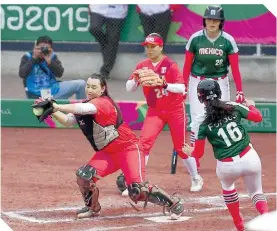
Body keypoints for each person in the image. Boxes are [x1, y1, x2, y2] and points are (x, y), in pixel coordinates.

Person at [42, 73, 184, 219]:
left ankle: (174, 203)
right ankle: (93, 208)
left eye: (94, 87)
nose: (89, 90)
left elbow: (84, 109)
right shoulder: (87, 104)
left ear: (102, 89)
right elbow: (67, 121)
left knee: (138, 191)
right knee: (84, 177)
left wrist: (57, 105)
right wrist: (53, 111)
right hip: (108, 153)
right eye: (88, 86)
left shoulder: (102, 103)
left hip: (129, 149)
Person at [117, 33, 203, 196]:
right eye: (147, 47)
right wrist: (136, 78)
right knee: (144, 145)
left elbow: (182, 88)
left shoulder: (170, 65)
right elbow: (129, 88)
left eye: (153, 46)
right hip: (155, 110)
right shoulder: (142, 65)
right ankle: (136, 183)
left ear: (161, 47)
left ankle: (196, 178)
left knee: (181, 147)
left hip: (174, 109)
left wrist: (163, 83)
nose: (149, 50)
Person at [183, 79, 269, 231]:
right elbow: (257, 117)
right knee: (256, 193)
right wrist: (252, 105)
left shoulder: (202, 124)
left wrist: (191, 151)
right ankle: (267, 220)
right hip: (249, 157)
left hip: (227, 166)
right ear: (219, 92)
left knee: (228, 187)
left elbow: (199, 153)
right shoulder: (233, 107)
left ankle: (239, 224)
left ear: (200, 97)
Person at [182, 6, 245, 155]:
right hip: (197, 82)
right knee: (197, 120)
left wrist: (240, 90)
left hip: (220, 82)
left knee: (223, 118)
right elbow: (186, 65)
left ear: (221, 22)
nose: (212, 22)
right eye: (209, 19)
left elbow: (235, 69)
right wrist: (183, 85)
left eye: (216, 19)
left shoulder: (228, 41)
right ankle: (195, 158)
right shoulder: (195, 39)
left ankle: (228, 154)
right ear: (204, 20)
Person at [19, 35, 86, 100]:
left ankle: (81, 109)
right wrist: (33, 58)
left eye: (46, 48)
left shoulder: (52, 56)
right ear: (36, 47)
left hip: (53, 91)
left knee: (81, 84)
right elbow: (22, 74)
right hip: (36, 95)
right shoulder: (28, 57)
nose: (43, 50)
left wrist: (49, 61)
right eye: (41, 48)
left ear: (50, 49)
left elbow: (59, 74)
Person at [88, 4, 128, 79]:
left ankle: (105, 71)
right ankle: (106, 44)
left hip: (117, 12)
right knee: (94, 28)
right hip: (98, 8)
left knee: (113, 41)